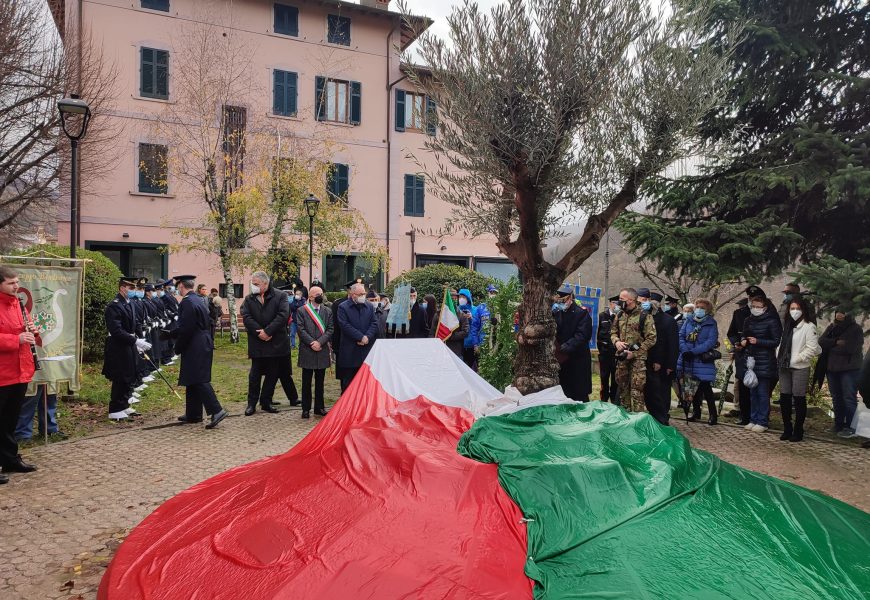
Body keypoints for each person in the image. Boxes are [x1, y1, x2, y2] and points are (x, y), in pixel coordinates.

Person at [171, 276, 227, 428]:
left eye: (178, 287)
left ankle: (217, 410)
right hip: (202, 340)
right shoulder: (197, 299)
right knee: (192, 377)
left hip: (195, 343)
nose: (178, 290)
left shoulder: (188, 302)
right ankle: (193, 413)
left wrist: (177, 346)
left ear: (182, 286)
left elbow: (187, 328)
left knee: (199, 378)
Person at [0, 265, 39, 482]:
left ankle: (10, 459)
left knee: (10, 419)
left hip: (19, 370)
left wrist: (32, 330)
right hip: (2, 371)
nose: (17, 286)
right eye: (11, 283)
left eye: (17, 282)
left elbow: (23, 328)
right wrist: (16, 339)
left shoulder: (17, 303)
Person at [240, 271, 289, 416]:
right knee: (254, 375)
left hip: (275, 342)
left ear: (265, 284)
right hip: (257, 342)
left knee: (272, 374)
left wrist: (268, 331)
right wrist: (259, 332)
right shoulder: (249, 299)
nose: (253, 287)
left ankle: (266, 401)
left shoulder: (281, 296)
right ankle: (251, 404)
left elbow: (283, 315)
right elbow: (246, 317)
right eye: (252, 284)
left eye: (256, 284)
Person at [735, 294, 782, 433]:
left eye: (758, 307)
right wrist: (743, 340)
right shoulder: (748, 320)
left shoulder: (772, 321)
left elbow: (776, 341)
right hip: (750, 360)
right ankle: (753, 418)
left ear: (765, 307)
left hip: (765, 361)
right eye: (753, 306)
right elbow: (744, 334)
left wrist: (759, 341)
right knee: (752, 392)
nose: (755, 309)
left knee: (762, 392)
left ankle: (762, 421)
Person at [776, 297, 821, 442]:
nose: (795, 311)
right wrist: (779, 354)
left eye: (798, 308)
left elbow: (812, 349)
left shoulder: (809, 326)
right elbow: (781, 343)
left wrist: (796, 359)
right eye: (792, 308)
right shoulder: (787, 325)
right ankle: (787, 428)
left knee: (799, 398)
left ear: (803, 310)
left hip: (799, 367)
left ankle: (798, 429)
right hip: (784, 366)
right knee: (784, 397)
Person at [102, 276, 145, 421]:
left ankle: (125, 405)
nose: (134, 290)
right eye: (131, 288)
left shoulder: (129, 303)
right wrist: (135, 341)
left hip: (129, 344)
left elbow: (135, 322)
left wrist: (140, 336)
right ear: (122, 288)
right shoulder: (114, 305)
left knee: (130, 373)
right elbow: (116, 330)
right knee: (120, 376)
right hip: (118, 345)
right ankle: (115, 408)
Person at [819, 309, 864, 437]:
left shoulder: (855, 329)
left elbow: (850, 348)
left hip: (849, 369)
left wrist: (831, 346)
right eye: (837, 312)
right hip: (832, 368)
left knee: (849, 398)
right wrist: (836, 342)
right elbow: (821, 342)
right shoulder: (832, 327)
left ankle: (851, 427)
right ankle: (838, 424)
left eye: (843, 312)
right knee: (836, 397)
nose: (839, 314)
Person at [610, 288, 657, 413]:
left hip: (638, 360)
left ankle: (637, 421)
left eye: (621, 299)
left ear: (631, 300)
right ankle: (625, 419)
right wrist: (617, 342)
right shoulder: (619, 315)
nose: (618, 302)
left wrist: (634, 353)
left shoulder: (644, 315)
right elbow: (613, 332)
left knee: (637, 392)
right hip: (622, 358)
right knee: (623, 389)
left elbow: (651, 339)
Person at [677, 298, 720, 425]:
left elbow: (710, 341)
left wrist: (694, 352)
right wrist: (685, 350)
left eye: (702, 308)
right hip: (687, 358)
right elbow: (681, 336)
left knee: (705, 388)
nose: (699, 310)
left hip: (701, 360)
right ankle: (696, 412)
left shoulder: (711, 323)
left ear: (707, 310)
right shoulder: (689, 321)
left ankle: (713, 414)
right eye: (698, 307)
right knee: (691, 387)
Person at [296, 285, 333, 418]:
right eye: (318, 294)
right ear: (311, 297)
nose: (320, 296)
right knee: (306, 382)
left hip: (321, 350)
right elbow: (300, 329)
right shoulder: (302, 311)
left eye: (321, 293)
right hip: (308, 350)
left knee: (320, 382)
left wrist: (320, 342)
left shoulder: (327, 311)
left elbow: (330, 329)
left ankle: (319, 407)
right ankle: (305, 409)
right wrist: (312, 342)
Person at [643, 290, 679, 425]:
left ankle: (663, 417)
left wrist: (670, 365)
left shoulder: (668, 321)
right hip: (648, 361)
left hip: (663, 364)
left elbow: (673, 345)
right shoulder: (645, 317)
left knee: (662, 391)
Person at [553, 284, 592, 402]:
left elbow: (582, 335)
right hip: (561, 359)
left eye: (563, 301)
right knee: (563, 391)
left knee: (579, 392)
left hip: (577, 359)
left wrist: (567, 346)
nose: (560, 303)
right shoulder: (556, 313)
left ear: (570, 299)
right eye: (558, 301)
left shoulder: (581, 313)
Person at [336, 283, 379, 391]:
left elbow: (374, 323)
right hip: (350, 350)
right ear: (352, 294)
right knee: (349, 383)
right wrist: (360, 337)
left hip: (366, 350)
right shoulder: (343, 307)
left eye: (364, 293)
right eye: (360, 294)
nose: (363, 296)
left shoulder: (368, 306)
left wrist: (367, 337)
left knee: (365, 383)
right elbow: (344, 325)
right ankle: (347, 406)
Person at [727, 287, 760, 425]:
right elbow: (732, 332)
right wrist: (736, 343)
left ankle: (758, 416)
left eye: (755, 298)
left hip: (758, 354)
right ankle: (744, 415)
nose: (752, 300)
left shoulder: (767, 313)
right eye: (750, 298)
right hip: (742, 354)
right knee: (742, 386)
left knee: (758, 387)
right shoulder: (739, 313)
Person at [331, 280, 356, 382]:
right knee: (344, 374)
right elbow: (335, 325)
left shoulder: (364, 304)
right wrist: (335, 345)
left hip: (358, 345)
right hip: (342, 343)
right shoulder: (338, 304)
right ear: (350, 291)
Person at [597, 295, 619, 404]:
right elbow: (597, 334)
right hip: (604, 353)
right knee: (604, 378)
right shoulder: (602, 316)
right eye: (615, 303)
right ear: (610, 304)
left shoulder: (620, 316)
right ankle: (604, 400)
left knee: (616, 379)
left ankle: (614, 400)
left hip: (616, 354)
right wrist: (601, 349)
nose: (617, 305)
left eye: (618, 303)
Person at [458, 288, 485, 371]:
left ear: (468, 298)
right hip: (459, 344)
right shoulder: (457, 309)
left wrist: (471, 318)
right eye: (460, 297)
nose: (461, 299)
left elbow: (479, 326)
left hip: (471, 344)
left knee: (472, 369)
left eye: (463, 297)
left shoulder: (475, 309)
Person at [443, 289, 471, 357]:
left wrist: (450, 336)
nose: (453, 299)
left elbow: (465, 331)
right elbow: (433, 331)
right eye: (451, 297)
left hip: (457, 350)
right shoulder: (440, 314)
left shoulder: (462, 315)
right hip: (443, 349)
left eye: (455, 297)